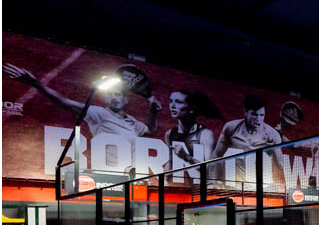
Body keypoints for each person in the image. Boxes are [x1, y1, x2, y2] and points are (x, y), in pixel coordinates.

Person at [3, 63, 161, 167]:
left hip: (131, 176)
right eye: (110, 94)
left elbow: (150, 130)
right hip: (109, 175)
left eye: (118, 94)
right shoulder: (98, 113)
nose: (114, 98)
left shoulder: (131, 121)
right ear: (105, 99)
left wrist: (153, 110)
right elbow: (64, 101)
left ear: (125, 100)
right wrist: (36, 83)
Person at [165, 91, 220, 171]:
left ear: (191, 108)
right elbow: (171, 162)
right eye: (171, 101)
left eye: (178, 102)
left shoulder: (205, 134)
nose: (172, 106)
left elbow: (209, 169)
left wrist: (186, 157)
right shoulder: (169, 134)